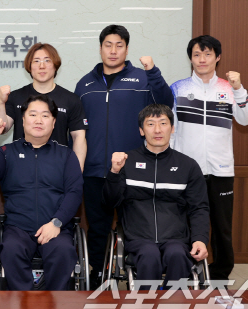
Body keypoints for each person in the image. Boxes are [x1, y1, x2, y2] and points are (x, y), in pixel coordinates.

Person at [74, 24, 174, 287]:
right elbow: (76, 128)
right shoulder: (84, 84)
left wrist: (153, 71)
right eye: (108, 45)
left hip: (134, 169)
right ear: (100, 48)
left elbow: (165, 102)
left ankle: (140, 273)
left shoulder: (142, 79)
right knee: (97, 227)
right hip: (96, 170)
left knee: (136, 227)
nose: (113, 50)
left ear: (127, 48)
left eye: (119, 45)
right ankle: (97, 274)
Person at [0, 95, 83, 291]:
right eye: (32, 114)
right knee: (10, 250)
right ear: (23, 120)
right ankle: (22, 304)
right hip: (18, 228)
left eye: (45, 115)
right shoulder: (7, 152)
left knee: (64, 252)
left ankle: (55, 305)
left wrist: (56, 223)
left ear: (53, 122)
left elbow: (74, 192)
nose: (38, 120)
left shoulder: (66, 155)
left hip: (55, 227)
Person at [170, 35, 248, 281]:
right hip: (187, 171)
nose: (202, 59)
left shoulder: (229, 89)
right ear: (191, 58)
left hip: (221, 171)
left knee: (221, 227)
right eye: (197, 54)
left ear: (217, 57)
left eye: (207, 54)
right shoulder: (178, 88)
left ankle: (220, 275)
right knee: (184, 224)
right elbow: (170, 131)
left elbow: (246, 119)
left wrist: (239, 89)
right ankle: (184, 271)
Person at [103, 104, 210, 287]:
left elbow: (199, 207)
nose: (158, 130)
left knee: (177, 255)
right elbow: (109, 202)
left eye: (163, 123)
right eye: (150, 124)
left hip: (176, 238)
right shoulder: (126, 162)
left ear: (172, 128)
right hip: (138, 239)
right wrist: (114, 172)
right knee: (149, 255)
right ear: (141, 130)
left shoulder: (188, 166)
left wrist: (200, 239)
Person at [0, 42, 87, 169]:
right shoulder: (16, 96)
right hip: (20, 167)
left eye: (47, 61)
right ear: (29, 66)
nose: (42, 66)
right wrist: (1, 102)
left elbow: (79, 138)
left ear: (55, 65)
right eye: (36, 61)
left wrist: (76, 173)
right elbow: (1, 128)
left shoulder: (71, 99)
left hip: (58, 168)